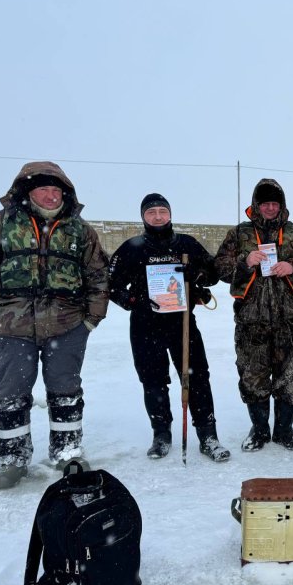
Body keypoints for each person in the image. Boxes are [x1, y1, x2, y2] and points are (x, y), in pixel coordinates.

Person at [0, 161, 109, 489]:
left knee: (66, 390)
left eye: (56, 190)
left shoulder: (80, 230)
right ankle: (13, 458)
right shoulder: (0, 224)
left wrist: (91, 320)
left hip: (67, 324)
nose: (51, 196)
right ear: (28, 191)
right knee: (10, 392)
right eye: (43, 189)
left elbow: (98, 275)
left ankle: (67, 452)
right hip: (12, 325)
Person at [108, 193, 230, 462]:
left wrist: (196, 275)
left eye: (162, 211)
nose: (158, 216)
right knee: (153, 381)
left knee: (196, 377)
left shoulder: (186, 244)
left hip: (181, 322)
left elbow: (213, 273)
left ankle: (208, 435)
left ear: (170, 214)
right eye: (151, 212)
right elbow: (111, 284)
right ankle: (161, 434)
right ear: (143, 217)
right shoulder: (132, 248)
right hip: (145, 325)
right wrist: (134, 301)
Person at [215, 178, 293, 451]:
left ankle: (284, 430)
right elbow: (220, 268)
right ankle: (259, 430)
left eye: (275, 203)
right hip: (251, 322)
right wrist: (244, 261)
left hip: (290, 321)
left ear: (281, 205)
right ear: (256, 205)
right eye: (265, 204)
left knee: (291, 377)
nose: (270, 208)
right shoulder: (239, 233)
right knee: (253, 377)